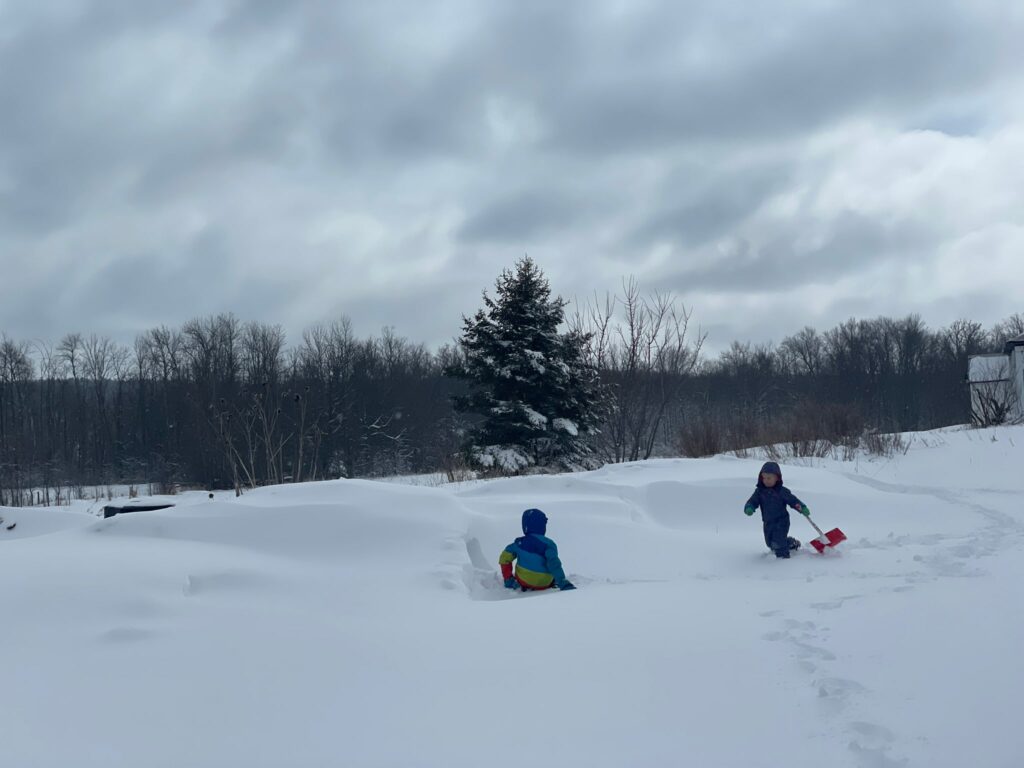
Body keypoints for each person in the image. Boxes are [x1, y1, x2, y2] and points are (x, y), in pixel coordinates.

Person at [744, 461, 809, 559]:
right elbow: (752, 501)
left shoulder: (782, 491)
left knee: (778, 542)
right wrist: (749, 507)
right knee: (770, 542)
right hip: (767, 522)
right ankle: (791, 543)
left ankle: (783, 560)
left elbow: (793, 501)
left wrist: (802, 507)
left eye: (769, 478)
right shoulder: (759, 492)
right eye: (764, 478)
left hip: (781, 521)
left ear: (777, 478)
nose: (766, 480)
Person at [499, 508, 576, 591]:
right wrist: (562, 582)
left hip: (523, 581)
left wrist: (508, 580)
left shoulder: (519, 543)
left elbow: (504, 558)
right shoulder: (549, 544)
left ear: (525, 526)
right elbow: (554, 563)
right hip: (545, 583)